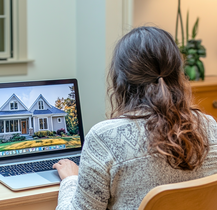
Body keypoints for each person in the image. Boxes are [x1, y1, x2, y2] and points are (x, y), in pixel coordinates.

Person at [52, 26, 217, 210]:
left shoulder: (104, 138)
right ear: (177, 74)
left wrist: (71, 180)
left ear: (120, 80)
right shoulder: (210, 127)